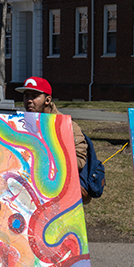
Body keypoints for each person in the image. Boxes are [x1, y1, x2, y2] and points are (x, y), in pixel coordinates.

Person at [14, 76, 92, 204]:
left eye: (34, 96)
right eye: (26, 96)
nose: (29, 100)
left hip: (57, 193)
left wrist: (47, 159)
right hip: (26, 193)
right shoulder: (19, 123)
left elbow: (80, 161)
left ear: (47, 100)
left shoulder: (66, 126)